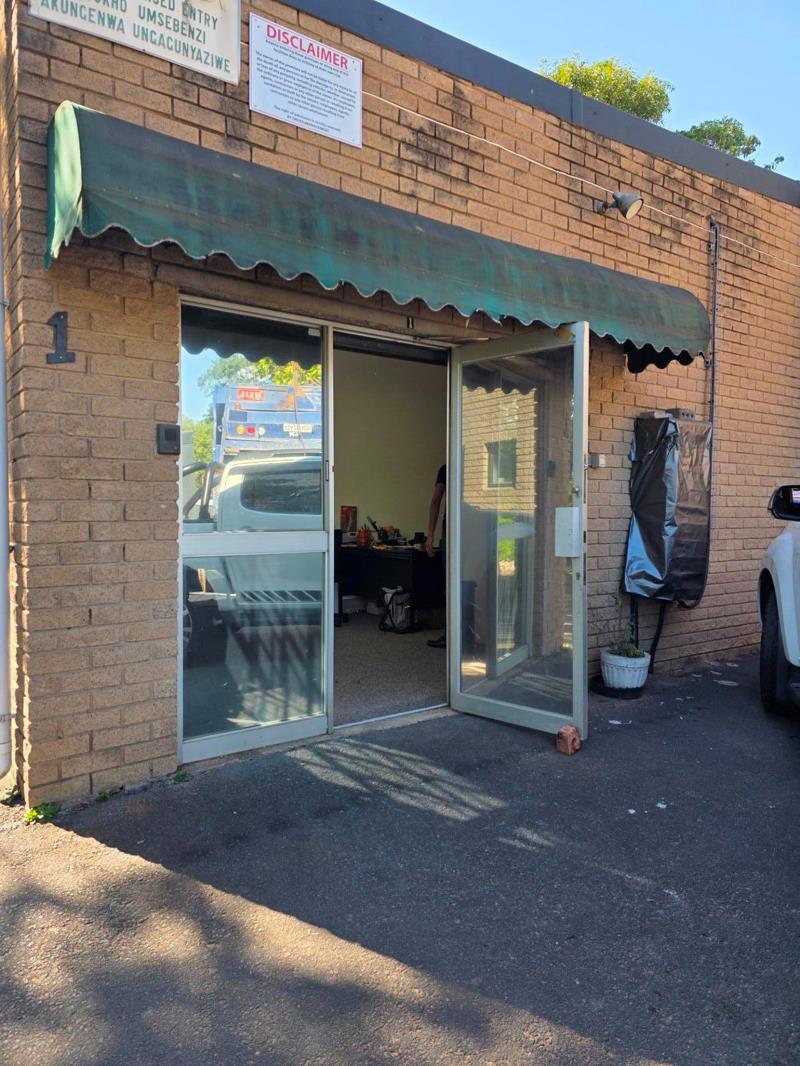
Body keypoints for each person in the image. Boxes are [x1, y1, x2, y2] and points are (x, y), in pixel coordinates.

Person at [426, 464, 446, 648]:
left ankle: (450, 635)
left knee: (450, 583)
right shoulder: (475, 465)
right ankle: (466, 635)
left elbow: (435, 501)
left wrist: (430, 535)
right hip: (476, 525)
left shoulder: (446, 468)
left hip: (453, 530)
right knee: (468, 581)